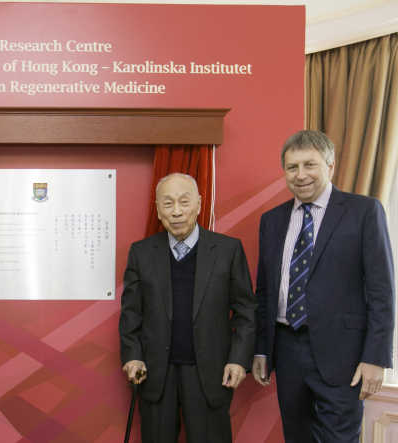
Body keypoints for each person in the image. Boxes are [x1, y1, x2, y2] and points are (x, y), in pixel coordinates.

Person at [252, 130, 395, 442]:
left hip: (344, 355)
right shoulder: (272, 220)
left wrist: (376, 357)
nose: (301, 175)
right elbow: (264, 291)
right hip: (287, 350)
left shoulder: (364, 211)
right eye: (292, 167)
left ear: (330, 167)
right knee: (297, 437)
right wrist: (262, 349)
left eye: (310, 165)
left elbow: (383, 292)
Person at [118, 173, 257, 443]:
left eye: (184, 201)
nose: (177, 211)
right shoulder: (141, 253)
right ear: (158, 210)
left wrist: (238, 359)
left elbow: (246, 311)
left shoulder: (228, 250)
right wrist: (132, 356)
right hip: (156, 372)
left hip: (210, 372)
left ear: (199, 204)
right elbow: (131, 314)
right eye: (168, 204)